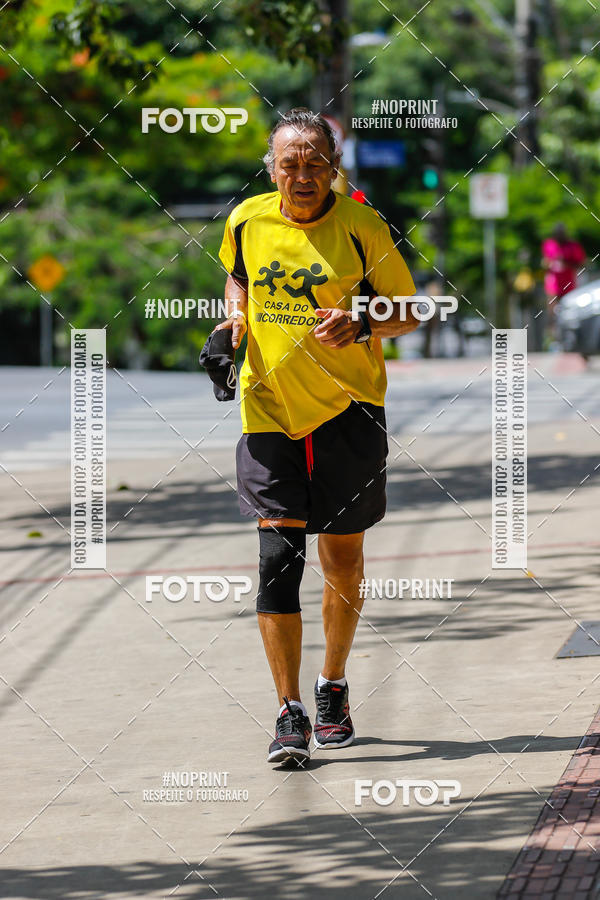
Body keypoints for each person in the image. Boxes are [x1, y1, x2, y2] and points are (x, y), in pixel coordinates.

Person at [212, 108, 419, 765]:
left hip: (347, 413)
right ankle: (288, 711)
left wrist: (360, 322)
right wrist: (231, 328)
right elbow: (238, 280)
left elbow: (409, 309)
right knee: (278, 563)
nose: (301, 175)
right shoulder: (246, 219)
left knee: (341, 562)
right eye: (288, 164)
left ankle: (331, 684)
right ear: (272, 169)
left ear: (334, 169)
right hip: (269, 410)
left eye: (314, 164)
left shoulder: (363, 227)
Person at [541, 223, 585, 347]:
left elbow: (581, 263)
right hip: (553, 285)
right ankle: (553, 339)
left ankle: (572, 339)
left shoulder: (573, 246)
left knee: (571, 312)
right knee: (552, 311)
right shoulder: (549, 244)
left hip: (569, 285)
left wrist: (566, 264)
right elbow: (545, 262)